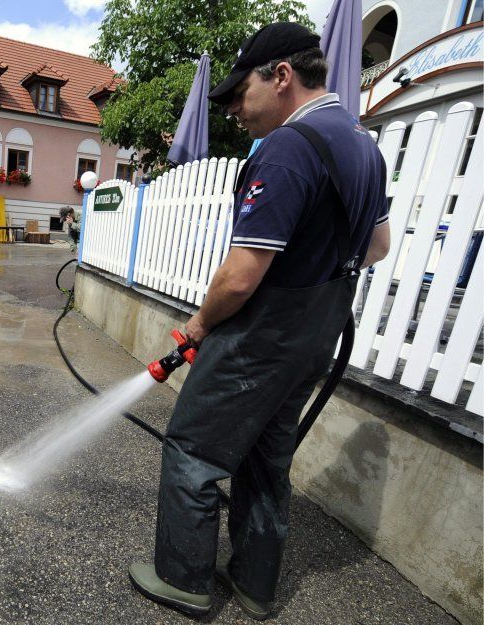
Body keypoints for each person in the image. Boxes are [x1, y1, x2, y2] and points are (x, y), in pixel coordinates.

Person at [127, 22, 391, 620]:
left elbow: (241, 276)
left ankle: (182, 579)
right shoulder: (360, 142)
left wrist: (196, 327)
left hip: (262, 336)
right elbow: (377, 245)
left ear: (281, 76)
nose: (235, 112)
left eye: (240, 92)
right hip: (317, 335)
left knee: (193, 449)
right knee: (266, 458)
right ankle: (254, 582)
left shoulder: (289, 147)